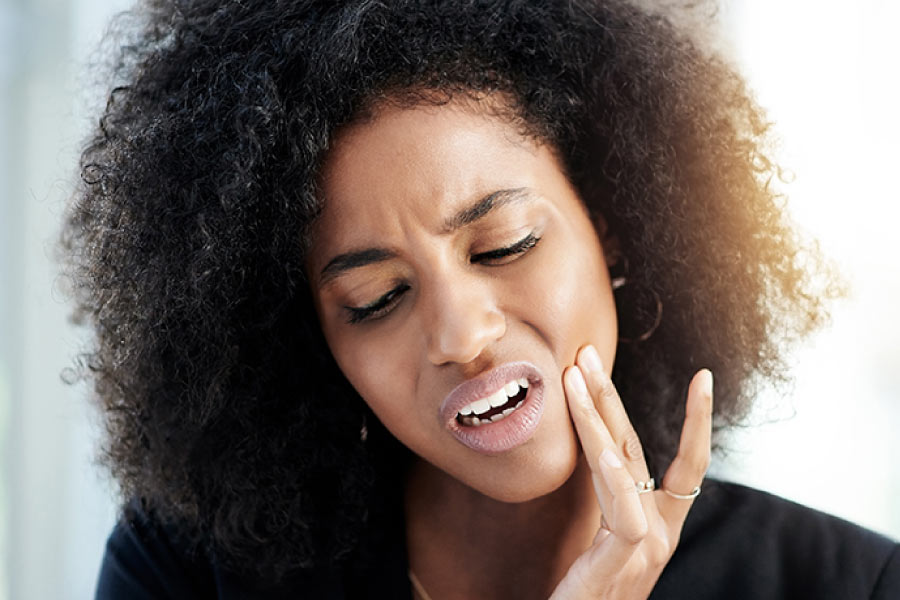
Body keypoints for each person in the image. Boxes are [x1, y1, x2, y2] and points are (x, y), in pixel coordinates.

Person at [62, 0, 898, 598]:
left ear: (614, 229)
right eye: (377, 298)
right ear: (313, 343)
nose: (461, 333)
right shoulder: (184, 571)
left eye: (505, 245)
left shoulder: (849, 583)